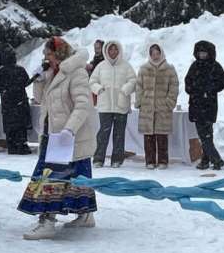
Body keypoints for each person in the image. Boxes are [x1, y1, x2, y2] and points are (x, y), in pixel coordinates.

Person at [18, 37, 99, 239]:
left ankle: (48, 221)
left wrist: (69, 130)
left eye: (49, 55)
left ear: (59, 54)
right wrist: (39, 80)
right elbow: (40, 100)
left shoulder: (76, 72)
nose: (46, 59)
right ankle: (85, 214)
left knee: (51, 178)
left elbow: (83, 105)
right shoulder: (53, 73)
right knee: (77, 176)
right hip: (52, 134)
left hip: (67, 136)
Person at [90, 40, 137, 168]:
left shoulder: (126, 66)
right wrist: (99, 89)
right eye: (110, 49)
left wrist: (125, 90)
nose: (113, 52)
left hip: (121, 105)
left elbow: (133, 81)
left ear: (119, 50)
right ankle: (98, 159)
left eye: (115, 49)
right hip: (105, 105)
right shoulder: (101, 66)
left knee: (119, 133)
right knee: (103, 133)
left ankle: (117, 159)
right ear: (106, 51)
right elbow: (92, 81)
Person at [136, 43, 179, 169]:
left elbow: (174, 86)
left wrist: (169, 102)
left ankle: (163, 161)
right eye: (152, 54)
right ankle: (149, 161)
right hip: (147, 106)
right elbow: (139, 86)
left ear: (161, 53)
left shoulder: (169, 69)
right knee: (148, 136)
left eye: (157, 53)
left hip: (163, 107)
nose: (155, 56)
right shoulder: (144, 68)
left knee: (161, 135)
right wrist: (140, 101)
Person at [185, 40, 224, 170]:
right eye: (200, 53)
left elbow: (222, 82)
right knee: (204, 134)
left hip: (209, 105)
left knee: (206, 134)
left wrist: (209, 90)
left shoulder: (215, 66)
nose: (202, 55)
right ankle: (205, 160)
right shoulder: (194, 66)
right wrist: (194, 90)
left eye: (204, 53)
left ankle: (216, 159)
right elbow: (188, 82)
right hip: (196, 104)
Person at [0, 48, 34, 155]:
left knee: (9, 124)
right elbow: (26, 82)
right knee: (20, 124)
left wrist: (5, 89)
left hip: (7, 102)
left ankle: (11, 145)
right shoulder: (20, 70)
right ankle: (21, 144)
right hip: (20, 100)